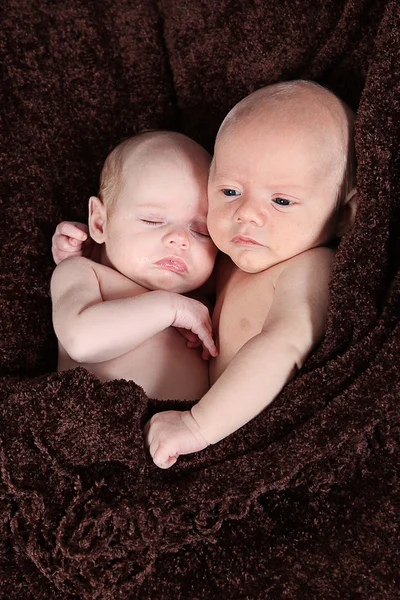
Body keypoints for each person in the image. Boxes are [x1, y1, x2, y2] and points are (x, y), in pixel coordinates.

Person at [52, 80, 358, 469]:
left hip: (191, 437)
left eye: (281, 200)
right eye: (229, 192)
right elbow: (86, 330)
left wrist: (197, 426)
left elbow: (281, 346)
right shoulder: (96, 275)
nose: (245, 214)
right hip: (107, 433)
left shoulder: (309, 266)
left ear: (345, 215)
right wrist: (91, 253)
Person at [51, 131, 219, 401]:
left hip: (180, 436)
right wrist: (171, 308)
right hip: (98, 426)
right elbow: (80, 341)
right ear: (99, 223)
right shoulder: (83, 272)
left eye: (201, 231)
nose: (180, 239)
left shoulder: (200, 302)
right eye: (153, 220)